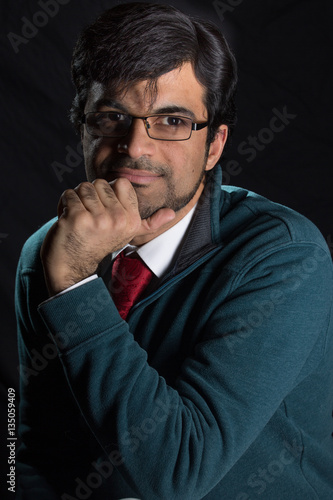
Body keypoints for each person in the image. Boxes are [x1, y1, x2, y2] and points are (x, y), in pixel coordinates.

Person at [15, 2, 333, 499]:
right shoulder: (49, 250)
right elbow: (28, 448)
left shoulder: (284, 257)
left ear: (214, 146)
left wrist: (74, 286)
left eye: (171, 120)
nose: (135, 146)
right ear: (83, 128)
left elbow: (178, 472)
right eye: (112, 116)